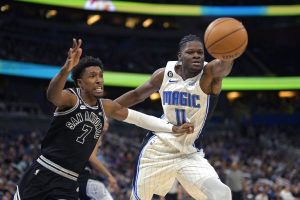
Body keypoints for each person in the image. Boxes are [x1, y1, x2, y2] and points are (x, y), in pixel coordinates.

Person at [13, 38, 193, 200]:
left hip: (68, 182)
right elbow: (52, 95)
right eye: (92, 76)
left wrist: (171, 128)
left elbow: (138, 118)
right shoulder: (72, 97)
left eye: (100, 76)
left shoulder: (105, 106)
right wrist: (66, 69)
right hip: (43, 172)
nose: (99, 80)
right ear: (80, 83)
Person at [115, 34, 238, 200]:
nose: (196, 55)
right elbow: (137, 95)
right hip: (158, 149)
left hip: (189, 152)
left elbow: (222, 68)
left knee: (222, 193)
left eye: (200, 53)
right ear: (180, 56)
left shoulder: (208, 74)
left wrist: (228, 55)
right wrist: (105, 109)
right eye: (190, 52)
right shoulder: (164, 74)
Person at [78, 119, 117, 200]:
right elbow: (91, 158)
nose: (107, 124)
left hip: (71, 177)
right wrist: (109, 176)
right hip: (81, 176)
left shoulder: (85, 131)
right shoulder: (96, 133)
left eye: (107, 121)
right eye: (105, 121)